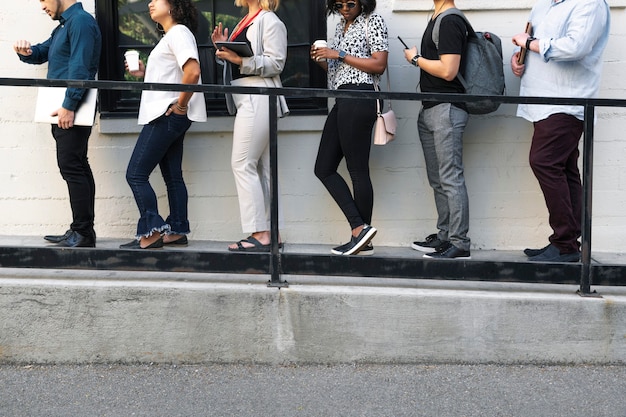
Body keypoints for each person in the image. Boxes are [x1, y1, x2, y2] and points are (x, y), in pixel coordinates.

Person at [511, 0, 610, 263]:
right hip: (542, 101)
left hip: (566, 101)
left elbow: (575, 47)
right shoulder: (543, 5)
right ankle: (566, 243)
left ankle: (565, 244)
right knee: (565, 169)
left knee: (543, 161)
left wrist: (530, 43)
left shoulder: (590, 4)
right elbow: (533, 44)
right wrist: (519, 60)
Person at [119, 0, 206, 250]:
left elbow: (192, 72)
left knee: (135, 174)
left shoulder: (178, 32)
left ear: (173, 5)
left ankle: (151, 232)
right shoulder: (172, 35)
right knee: (172, 176)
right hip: (171, 114)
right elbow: (175, 74)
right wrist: (145, 72)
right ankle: (177, 228)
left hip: (166, 115)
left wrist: (180, 106)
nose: (150, 3)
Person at [14, 0, 101, 247]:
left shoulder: (81, 22)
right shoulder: (65, 25)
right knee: (77, 165)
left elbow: (80, 67)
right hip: (64, 107)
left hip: (69, 108)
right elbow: (43, 52)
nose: (42, 6)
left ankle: (83, 233)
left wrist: (70, 105)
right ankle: (81, 230)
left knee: (71, 166)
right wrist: (26, 51)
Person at [311, 0, 388, 256]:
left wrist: (339, 54)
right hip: (343, 97)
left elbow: (379, 64)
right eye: (340, 4)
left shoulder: (372, 21)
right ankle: (361, 232)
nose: (345, 8)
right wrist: (324, 59)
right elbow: (338, 71)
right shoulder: (341, 27)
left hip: (361, 96)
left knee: (357, 169)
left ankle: (360, 234)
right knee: (323, 167)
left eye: (351, 3)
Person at [211, 0, 289, 252]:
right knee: (262, 169)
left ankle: (260, 232)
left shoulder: (270, 21)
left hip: (258, 97)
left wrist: (239, 60)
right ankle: (271, 232)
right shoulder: (245, 20)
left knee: (242, 163)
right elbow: (239, 63)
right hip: (247, 98)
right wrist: (223, 51)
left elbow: (276, 63)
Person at [403, 0, 471, 259]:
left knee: (451, 177)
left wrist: (416, 58)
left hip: (447, 109)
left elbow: (449, 70)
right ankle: (444, 235)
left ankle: (459, 242)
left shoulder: (450, 20)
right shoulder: (436, 17)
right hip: (431, 108)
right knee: (438, 179)